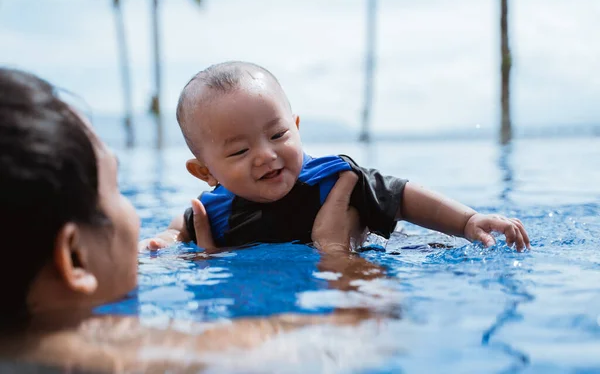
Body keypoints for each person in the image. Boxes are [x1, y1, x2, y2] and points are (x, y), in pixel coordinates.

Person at [0, 67, 378, 372]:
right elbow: (364, 339)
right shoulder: (154, 358)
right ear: (76, 258)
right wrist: (338, 256)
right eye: (116, 190)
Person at [141, 61, 530, 253]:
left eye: (278, 135)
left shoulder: (332, 178)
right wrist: (168, 237)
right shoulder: (218, 208)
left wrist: (467, 221)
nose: (266, 154)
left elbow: (403, 196)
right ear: (206, 171)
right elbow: (190, 218)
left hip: (389, 251)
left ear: (296, 127)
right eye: (241, 150)